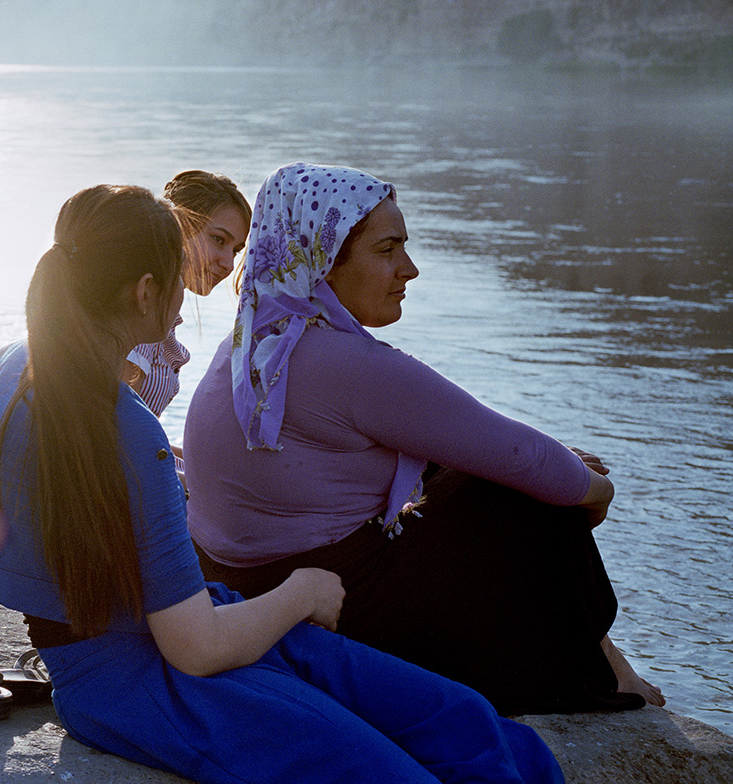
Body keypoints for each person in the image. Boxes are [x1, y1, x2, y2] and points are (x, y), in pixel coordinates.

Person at [0, 185, 562, 784]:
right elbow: (199, 649)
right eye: (180, 279)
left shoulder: (11, 366)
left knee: (461, 716)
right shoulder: (134, 434)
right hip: (135, 682)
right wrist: (302, 591)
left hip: (182, 629)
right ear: (146, 291)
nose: (192, 294)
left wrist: (25, 548)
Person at [183, 163, 663, 716]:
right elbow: (523, 456)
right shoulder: (350, 365)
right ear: (324, 261)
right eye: (387, 250)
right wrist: (594, 494)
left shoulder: (252, 341)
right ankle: (597, 670)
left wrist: (558, 469)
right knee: (535, 492)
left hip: (239, 585)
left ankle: (602, 650)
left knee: (522, 468)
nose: (408, 270)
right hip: (328, 606)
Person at [125, 170, 251, 418]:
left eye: (236, 251)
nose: (228, 263)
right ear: (177, 225)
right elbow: (117, 434)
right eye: (218, 239)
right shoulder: (143, 312)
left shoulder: (163, 312)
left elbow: (140, 435)